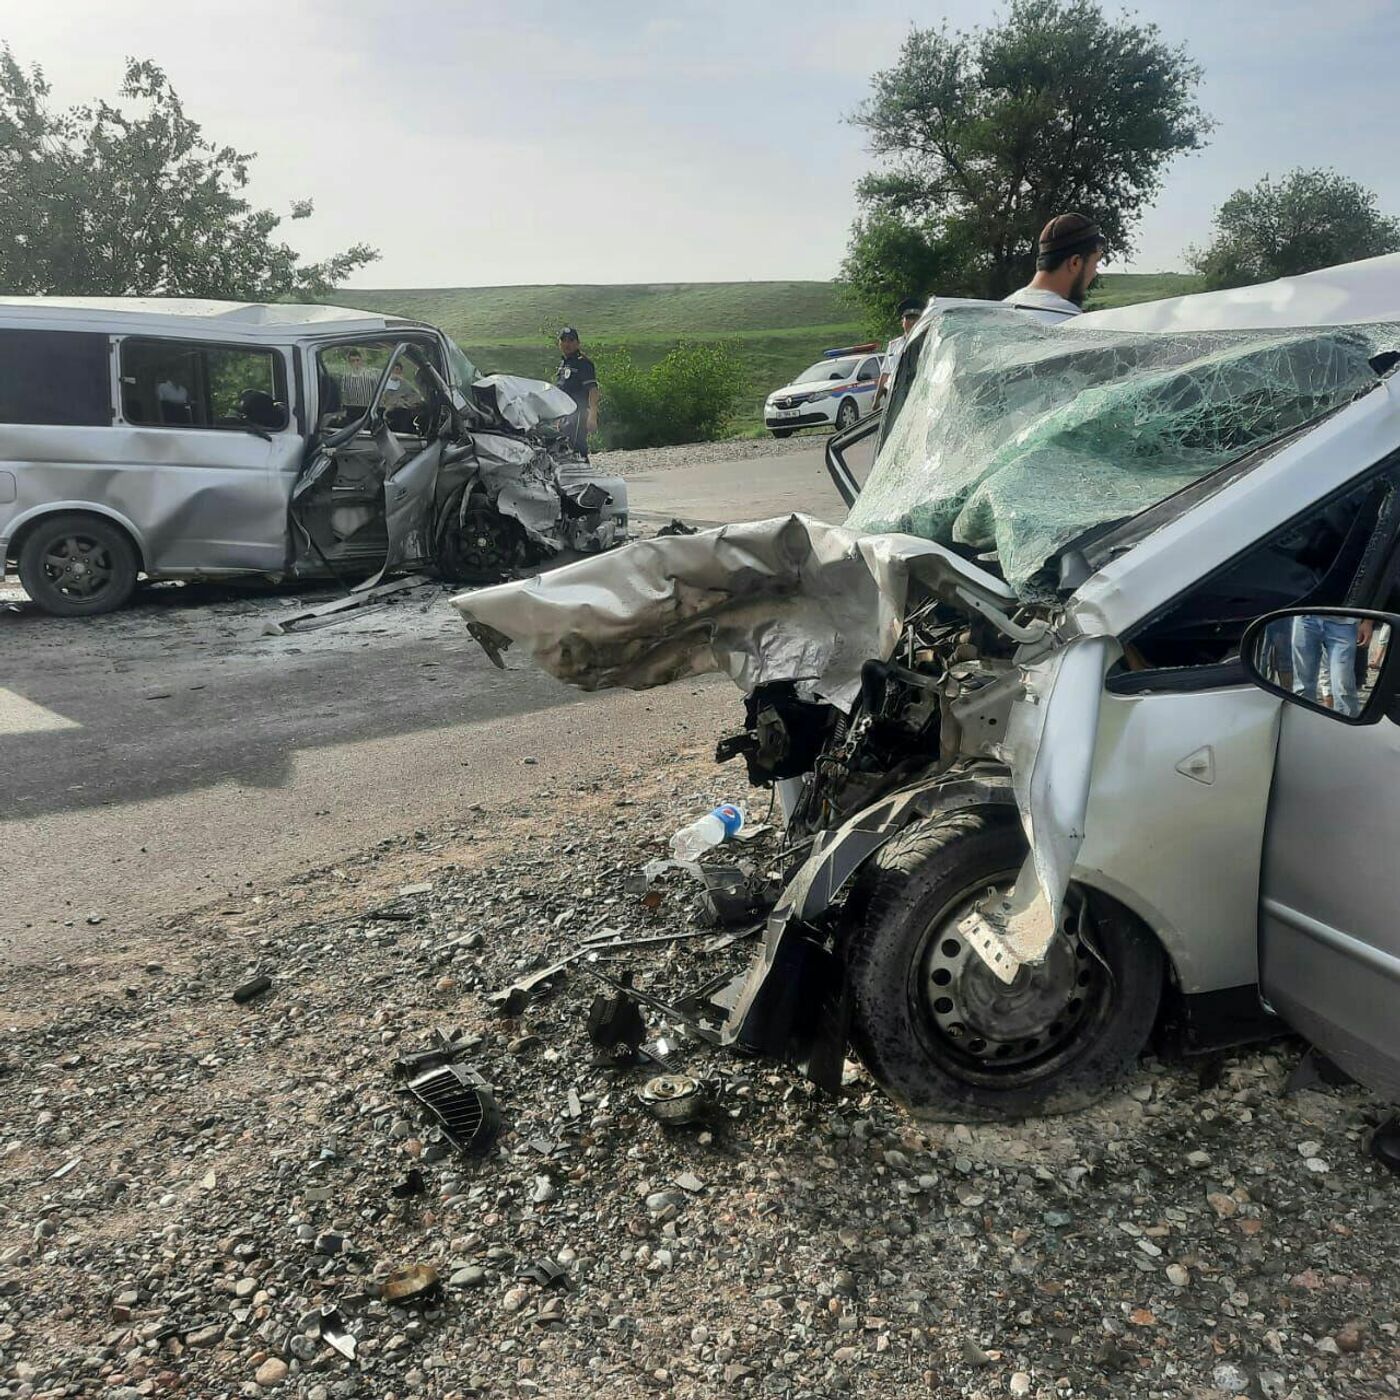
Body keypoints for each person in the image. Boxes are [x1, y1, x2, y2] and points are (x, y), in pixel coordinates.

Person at [1003, 213, 1107, 323]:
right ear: (1075, 263)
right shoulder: (1069, 323)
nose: (1094, 274)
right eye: (1095, 262)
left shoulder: (1002, 309)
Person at [1291, 613, 1371, 716]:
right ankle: (1303, 725)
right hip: (1306, 617)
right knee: (1302, 685)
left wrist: (1368, 622)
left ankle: (1346, 728)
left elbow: (1376, 596)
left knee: (1343, 685)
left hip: (1344, 620)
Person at [555, 327, 598, 458]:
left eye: (570, 340)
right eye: (564, 340)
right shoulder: (564, 363)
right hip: (565, 413)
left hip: (578, 413)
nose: (567, 344)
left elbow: (593, 390)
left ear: (577, 343)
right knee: (564, 447)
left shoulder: (583, 363)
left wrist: (593, 415)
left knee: (577, 447)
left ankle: (584, 473)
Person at [877, 296, 925, 403]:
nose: (912, 322)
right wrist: (876, 400)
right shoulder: (893, 345)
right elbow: (885, 374)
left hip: (918, 396)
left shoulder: (928, 342)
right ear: (902, 322)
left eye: (915, 318)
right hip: (894, 398)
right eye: (908, 318)